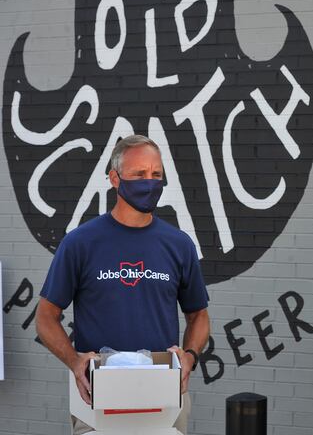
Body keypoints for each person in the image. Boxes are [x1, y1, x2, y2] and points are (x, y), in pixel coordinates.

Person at [35, 135, 211, 435]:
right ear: (115, 179)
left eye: (156, 174)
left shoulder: (178, 245)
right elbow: (45, 317)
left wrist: (190, 356)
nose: (150, 182)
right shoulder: (81, 243)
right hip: (99, 396)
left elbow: (199, 316)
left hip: (163, 396)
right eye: (139, 174)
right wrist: (76, 362)